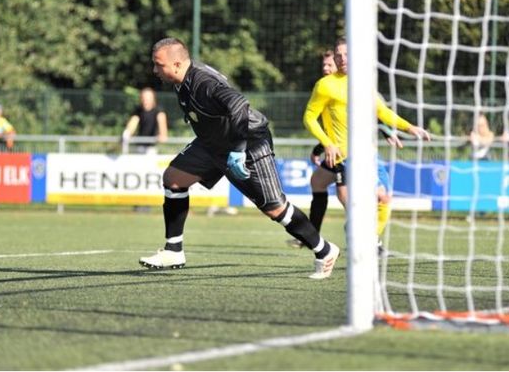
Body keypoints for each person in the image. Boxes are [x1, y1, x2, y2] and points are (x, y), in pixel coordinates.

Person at [139, 37, 340, 279]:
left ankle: (324, 250)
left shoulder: (203, 82)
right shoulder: (182, 80)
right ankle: (173, 250)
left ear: (178, 64)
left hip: (249, 140)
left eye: (158, 65)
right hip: (212, 144)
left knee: (275, 209)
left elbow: (238, 104)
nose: (154, 70)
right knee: (173, 178)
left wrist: (239, 149)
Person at [302, 38, 431, 255]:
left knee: (383, 199)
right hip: (347, 157)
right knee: (361, 199)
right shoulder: (325, 85)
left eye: (346, 54)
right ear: (334, 57)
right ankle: (360, 241)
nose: (342, 59)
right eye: (338, 55)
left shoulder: (363, 81)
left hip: (368, 154)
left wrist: (410, 128)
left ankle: (367, 239)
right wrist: (327, 144)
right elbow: (309, 118)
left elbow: (381, 111)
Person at [122, 87, 168, 154]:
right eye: (143, 98)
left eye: (148, 98)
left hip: (152, 147)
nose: (145, 101)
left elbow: (163, 129)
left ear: (153, 99)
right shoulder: (138, 110)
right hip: (139, 145)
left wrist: (162, 135)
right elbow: (133, 122)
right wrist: (127, 133)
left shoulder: (159, 111)